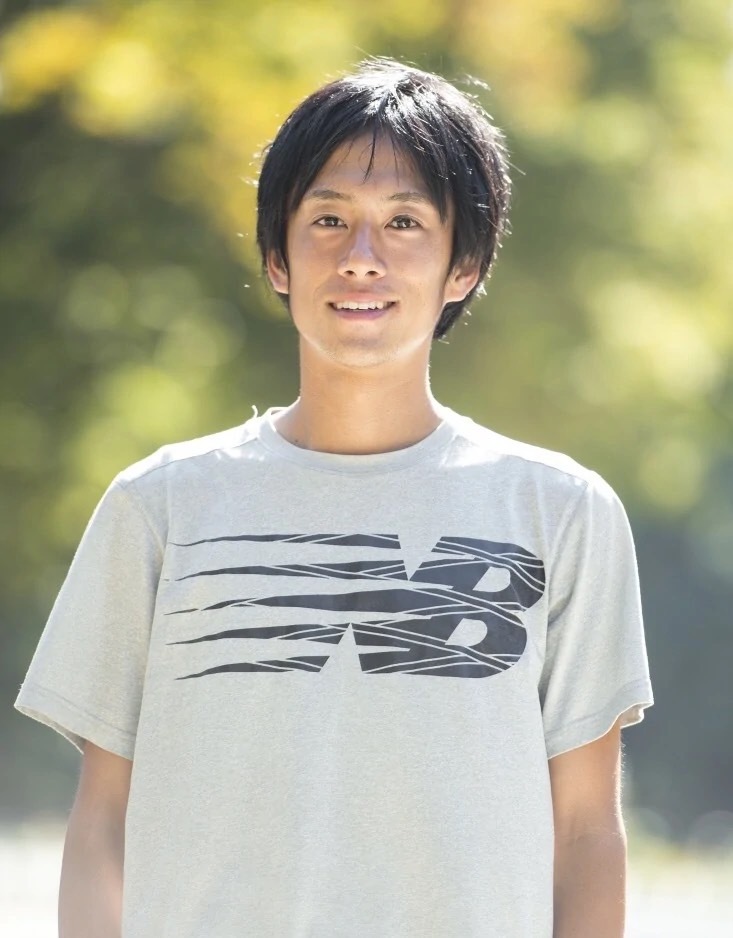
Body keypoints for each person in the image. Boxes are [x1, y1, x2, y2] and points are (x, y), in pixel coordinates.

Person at [15, 57, 654, 938]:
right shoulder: (159, 509)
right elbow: (101, 822)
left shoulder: (560, 512)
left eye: (403, 222)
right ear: (277, 257)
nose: (360, 258)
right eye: (328, 220)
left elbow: (584, 832)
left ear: (463, 265)